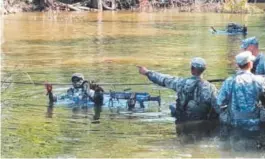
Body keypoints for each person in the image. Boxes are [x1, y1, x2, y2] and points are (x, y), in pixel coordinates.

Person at [137, 57, 219, 123]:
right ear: (204, 70)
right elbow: (218, 107)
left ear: (192, 69)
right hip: (202, 124)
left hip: (182, 122)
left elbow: (163, 79)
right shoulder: (211, 88)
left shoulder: (180, 83)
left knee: (173, 106)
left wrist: (147, 72)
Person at [217, 51, 265, 130]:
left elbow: (220, 102)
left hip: (234, 122)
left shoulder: (229, 81)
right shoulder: (260, 81)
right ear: (250, 64)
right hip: (255, 123)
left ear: (238, 65)